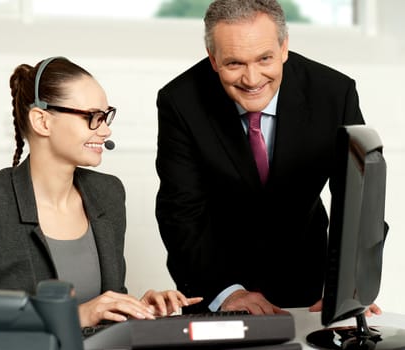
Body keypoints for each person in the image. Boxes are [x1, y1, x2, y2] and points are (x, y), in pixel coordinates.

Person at [0, 56, 202, 331]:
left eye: (106, 116)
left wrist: (137, 310)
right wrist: (78, 315)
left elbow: (103, 311)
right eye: (92, 118)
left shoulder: (108, 194)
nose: (106, 130)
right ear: (42, 121)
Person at [155, 0, 381, 316]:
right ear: (213, 59)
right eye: (234, 63)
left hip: (306, 275)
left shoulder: (334, 93)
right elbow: (180, 211)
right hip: (216, 280)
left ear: (284, 47)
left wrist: (350, 290)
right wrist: (226, 293)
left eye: (264, 58)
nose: (252, 79)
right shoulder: (180, 101)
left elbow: (359, 200)